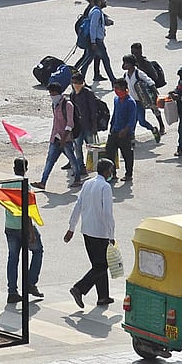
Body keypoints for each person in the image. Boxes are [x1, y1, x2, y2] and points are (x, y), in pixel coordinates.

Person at [64, 158, 116, 309]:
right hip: (100, 233)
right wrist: (111, 235)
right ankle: (79, 288)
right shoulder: (105, 187)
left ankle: (103, 296)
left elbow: (78, 205)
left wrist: (71, 227)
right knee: (101, 265)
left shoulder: (87, 183)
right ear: (106, 172)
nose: (111, 174)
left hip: (86, 231)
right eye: (111, 171)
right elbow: (107, 213)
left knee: (97, 264)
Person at [3, 158, 44, 304]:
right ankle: (31, 283)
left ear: (14, 168)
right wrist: (31, 232)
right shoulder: (25, 185)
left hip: (10, 226)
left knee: (13, 258)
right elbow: (28, 210)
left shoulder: (6, 183)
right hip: (24, 228)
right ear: (26, 169)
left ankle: (12, 291)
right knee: (38, 251)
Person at [31, 82, 84, 190]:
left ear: (59, 93)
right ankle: (43, 182)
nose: (51, 95)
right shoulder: (54, 104)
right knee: (50, 160)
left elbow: (70, 124)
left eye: (53, 93)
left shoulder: (68, 105)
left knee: (72, 160)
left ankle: (78, 179)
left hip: (65, 139)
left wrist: (64, 139)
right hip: (55, 137)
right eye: (50, 93)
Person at [80, 0, 119, 85]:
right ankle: (113, 81)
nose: (105, 1)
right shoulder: (96, 12)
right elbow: (92, 28)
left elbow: (98, 24)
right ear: (99, 1)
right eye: (103, 0)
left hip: (96, 40)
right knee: (105, 60)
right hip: (97, 41)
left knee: (88, 60)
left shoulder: (96, 11)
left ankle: (81, 80)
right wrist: (93, 42)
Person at [122, 54, 160, 143]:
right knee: (132, 121)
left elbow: (150, 82)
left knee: (142, 121)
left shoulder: (138, 73)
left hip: (140, 102)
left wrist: (156, 95)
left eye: (126, 63)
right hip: (131, 101)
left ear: (131, 64)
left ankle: (153, 130)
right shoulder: (126, 75)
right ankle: (131, 138)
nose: (124, 65)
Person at [105, 78, 137, 182]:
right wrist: (111, 127)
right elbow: (115, 115)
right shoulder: (116, 100)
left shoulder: (130, 102)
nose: (116, 90)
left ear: (124, 88)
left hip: (125, 134)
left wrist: (125, 130)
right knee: (109, 152)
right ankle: (112, 173)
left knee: (127, 154)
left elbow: (132, 120)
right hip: (115, 130)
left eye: (117, 88)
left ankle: (128, 174)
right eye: (115, 88)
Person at [130, 43, 165, 135]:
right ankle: (132, 133)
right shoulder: (132, 63)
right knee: (136, 114)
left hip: (147, 91)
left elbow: (154, 76)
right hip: (137, 93)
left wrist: (144, 78)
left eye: (136, 53)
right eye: (132, 53)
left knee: (155, 109)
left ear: (140, 51)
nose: (134, 55)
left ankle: (161, 125)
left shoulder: (146, 63)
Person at [68, 72, 97, 181]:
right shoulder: (73, 94)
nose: (75, 84)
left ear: (82, 82)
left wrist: (94, 125)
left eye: (77, 82)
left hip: (88, 126)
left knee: (91, 147)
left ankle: (94, 166)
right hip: (78, 127)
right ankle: (81, 167)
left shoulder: (88, 93)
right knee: (78, 148)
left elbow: (93, 110)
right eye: (73, 82)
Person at [74, 0, 103, 81]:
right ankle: (74, 72)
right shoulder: (91, 10)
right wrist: (92, 40)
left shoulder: (93, 8)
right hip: (90, 37)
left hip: (92, 36)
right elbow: (92, 26)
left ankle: (97, 74)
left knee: (97, 56)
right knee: (87, 57)